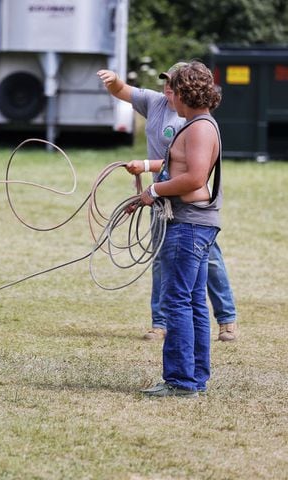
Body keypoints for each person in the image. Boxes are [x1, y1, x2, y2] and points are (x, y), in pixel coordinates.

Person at [97, 64, 239, 342]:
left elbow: (191, 172)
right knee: (163, 261)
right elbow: (122, 91)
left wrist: (150, 176)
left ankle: (226, 319)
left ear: (188, 90)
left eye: (175, 85)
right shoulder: (156, 103)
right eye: (167, 84)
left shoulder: (197, 124)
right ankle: (160, 323)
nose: (169, 90)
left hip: (188, 207)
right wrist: (113, 80)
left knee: (207, 264)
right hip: (163, 197)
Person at [124, 61, 223, 397]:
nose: (170, 97)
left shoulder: (198, 128)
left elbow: (194, 178)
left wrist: (153, 191)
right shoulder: (198, 125)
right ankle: (195, 378)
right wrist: (150, 176)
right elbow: (177, 165)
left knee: (177, 301)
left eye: (174, 91)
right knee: (192, 301)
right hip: (193, 224)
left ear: (184, 92)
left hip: (188, 225)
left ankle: (181, 381)